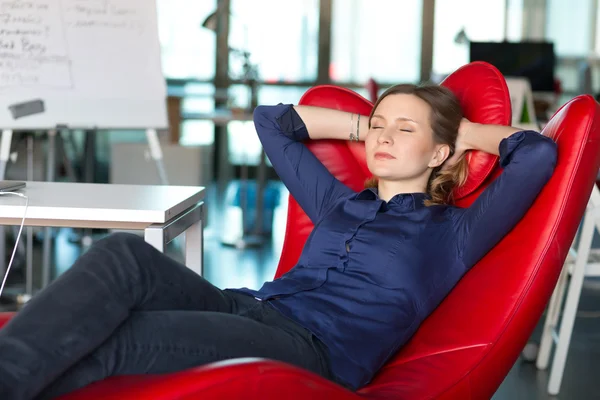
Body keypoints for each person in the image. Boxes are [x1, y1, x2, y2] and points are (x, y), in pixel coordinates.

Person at [0, 83, 557, 400]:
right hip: (249, 305)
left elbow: (537, 154)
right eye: (379, 123)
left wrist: (456, 134)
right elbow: (272, 121)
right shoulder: (341, 203)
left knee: (127, 339)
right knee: (121, 255)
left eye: (404, 130)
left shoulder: (453, 230)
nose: (385, 135)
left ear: (439, 153)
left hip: (316, 350)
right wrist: (371, 127)